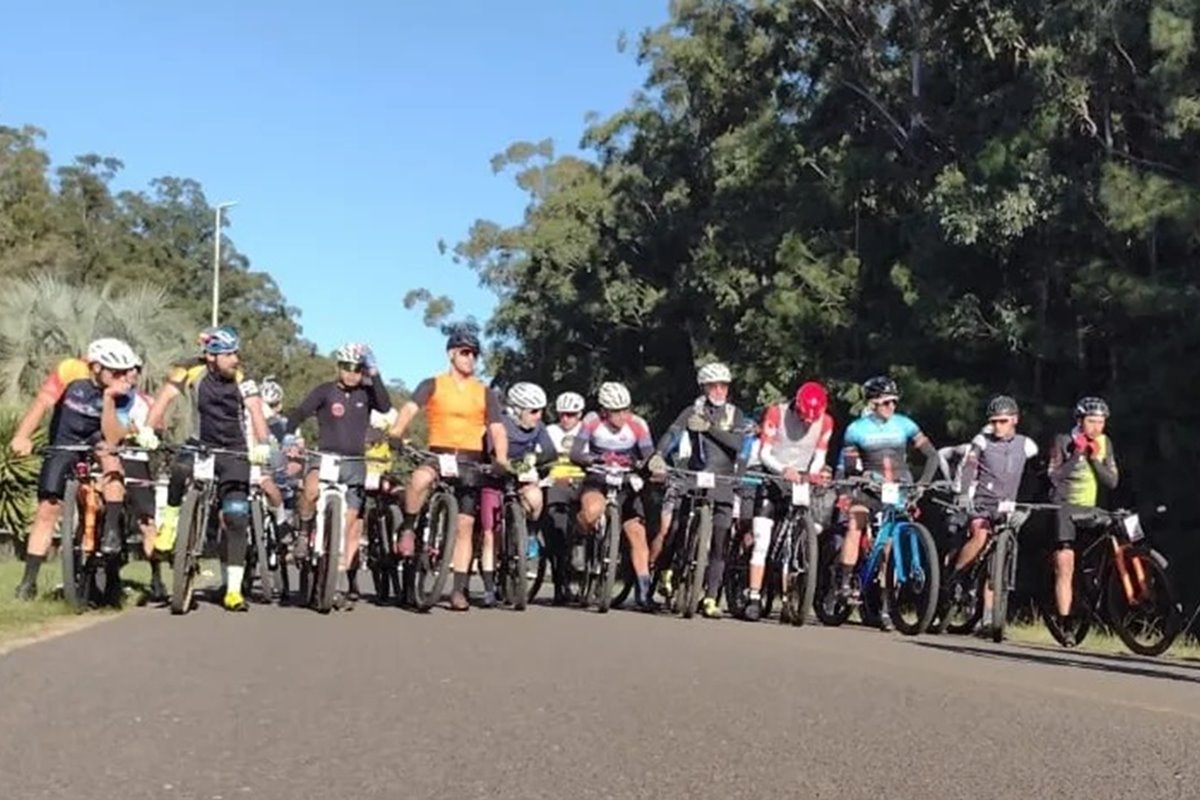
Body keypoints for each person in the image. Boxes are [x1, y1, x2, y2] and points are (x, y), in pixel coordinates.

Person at [145, 326, 271, 612]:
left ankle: (234, 591)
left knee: (236, 516)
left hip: (234, 449)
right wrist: (148, 429)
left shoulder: (243, 379)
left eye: (236, 352)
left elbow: (255, 411)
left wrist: (262, 443)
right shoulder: (190, 370)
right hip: (201, 442)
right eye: (229, 354)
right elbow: (164, 399)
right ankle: (171, 524)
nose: (235, 359)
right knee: (178, 469)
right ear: (212, 356)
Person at [10, 338, 145, 600]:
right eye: (114, 372)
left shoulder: (123, 391)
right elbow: (42, 404)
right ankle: (28, 582)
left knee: (111, 458)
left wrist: (108, 398)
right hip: (65, 439)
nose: (121, 377)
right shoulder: (70, 370)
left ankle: (111, 533)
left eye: (123, 372)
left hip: (99, 437)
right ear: (95, 367)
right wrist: (22, 436)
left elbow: (113, 435)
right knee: (47, 509)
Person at [387, 328, 508, 612]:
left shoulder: (484, 392)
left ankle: (457, 590)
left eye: (474, 354)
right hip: (438, 453)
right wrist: (397, 431)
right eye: (465, 353)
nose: (470, 359)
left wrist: (501, 457)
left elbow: (497, 427)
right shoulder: (433, 383)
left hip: (470, 460)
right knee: (418, 479)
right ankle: (408, 527)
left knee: (465, 526)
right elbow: (409, 408)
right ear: (451, 354)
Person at [283, 343, 391, 609]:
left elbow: (386, 406)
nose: (352, 374)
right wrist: (289, 433)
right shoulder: (325, 391)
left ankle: (334, 579)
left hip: (355, 463)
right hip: (326, 458)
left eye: (358, 369)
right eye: (347, 368)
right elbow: (298, 412)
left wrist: (374, 372)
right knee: (309, 489)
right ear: (338, 367)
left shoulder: (366, 393)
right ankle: (304, 531)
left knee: (348, 523)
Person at [834, 375, 941, 631]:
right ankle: (846, 581)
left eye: (894, 402)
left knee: (890, 547)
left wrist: (923, 484)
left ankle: (885, 604)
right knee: (855, 523)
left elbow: (932, 456)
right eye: (885, 403)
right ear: (872, 404)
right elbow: (849, 466)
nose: (891, 407)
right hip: (869, 488)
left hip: (899, 489)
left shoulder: (905, 424)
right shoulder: (856, 429)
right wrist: (860, 478)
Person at [651, 363, 747, 619]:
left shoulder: (734, 414)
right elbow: (673, 433)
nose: (719, 390)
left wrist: (709, 429)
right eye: (713, 386)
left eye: (723, 385)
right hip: (696, 476)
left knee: (720, 541)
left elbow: (738, 444)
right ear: (704, 388)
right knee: (676, 527)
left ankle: (712, 597)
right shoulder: (692, 411)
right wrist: (659, 455)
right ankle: (666, 569)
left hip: (724, 479)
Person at [743, 381, 835, 621]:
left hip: (800, 480)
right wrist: (783, 470)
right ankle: (753, 595)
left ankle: (788, 596)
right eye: (804, 418)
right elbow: (764, 453)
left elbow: (820, 456)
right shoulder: (776, 413)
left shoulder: (825, 422)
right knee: (763, 540)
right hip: (773, 476)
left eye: (811, 421)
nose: (807, 424)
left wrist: (811, 473)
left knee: (795, 539)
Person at [947, 395, 1038, 630]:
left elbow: (1034, 479)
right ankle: (956, 577)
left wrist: (1026, 506)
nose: (998, 426)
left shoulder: (1027, 446)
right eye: (994, 421)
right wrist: (965, 494)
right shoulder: (982, 441)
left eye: (1003, 421)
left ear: (1015, 420)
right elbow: (969, 466)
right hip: (981, 504)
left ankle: (988, 618)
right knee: (980, 536)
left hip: (1007, 506)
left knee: (999, 560)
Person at [568, 381, 657, 610]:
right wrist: (592, 460)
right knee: (592, 512)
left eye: (626, 410)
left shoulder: (638, 425)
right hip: (598, 478)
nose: (622, 416)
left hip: (626, 481)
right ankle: (580, 538)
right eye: (616, 412)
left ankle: (644, 591)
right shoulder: (591, 421)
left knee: (637, 533)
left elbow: (648, 455)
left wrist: (649, 467)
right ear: (604, 411)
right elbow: (576, 452)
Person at [477, 382, 557, 607]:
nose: (538, 415)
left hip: (520, 478)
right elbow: (491, 451)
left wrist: (533, 460)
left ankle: (528, 535)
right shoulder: (499, 422)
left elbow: (550, 453)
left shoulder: (539, 427)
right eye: (533, 411)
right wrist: (500, 464)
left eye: (541, 410)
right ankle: (489, 588)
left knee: (535, 499)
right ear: (516, 409)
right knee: (490, 533)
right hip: (494, 479)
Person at [1046, 396, 1118, 634]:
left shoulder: (1105, 442)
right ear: (1080, 420)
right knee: (1065, 562)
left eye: (1101, 422)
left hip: (1089, 508)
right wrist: (1077, 454)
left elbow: (1112, 482)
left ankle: (1096, 588)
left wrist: (1094, 459)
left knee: (1114, 537)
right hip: (1064, 506)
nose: (1097, 427)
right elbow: (1054, 477)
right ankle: (1066, 621)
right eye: (1091, 421)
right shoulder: (1063, 440)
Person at [117, 357, 166, 600]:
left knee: (147, 522)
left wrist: (142, 433)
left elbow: (156, 429)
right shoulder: (105, 397)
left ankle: (156, 577)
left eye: (135, 370)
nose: (130, 375)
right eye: (125, 370)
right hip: (108, 459)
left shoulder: (145, 401)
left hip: (136, 461)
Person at [543, 391, 586, 604]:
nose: (566, 419)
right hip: (556, 484)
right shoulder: (550, 431)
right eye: (562, 415)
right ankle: (560, 580)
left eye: (571, 415)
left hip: (583, 484)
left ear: (580, 414)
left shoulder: (588, 431)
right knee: (555, 529)